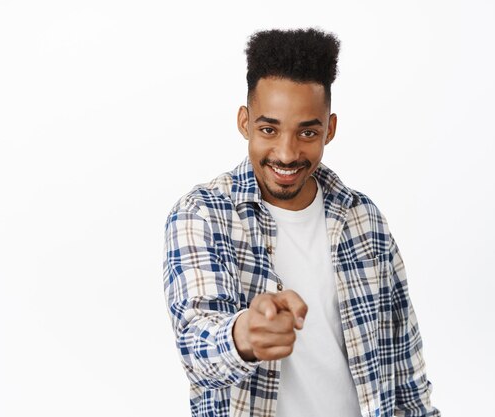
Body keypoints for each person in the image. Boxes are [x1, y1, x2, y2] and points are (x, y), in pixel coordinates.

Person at [162, 28, 440, 417]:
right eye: (269, 129)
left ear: (330, 128)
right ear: (244, 122)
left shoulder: (365, 220)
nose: (287, 153)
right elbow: (197, 347)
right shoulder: (202, 214)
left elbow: (405, 369)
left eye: (307, 131)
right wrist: (244, 333)